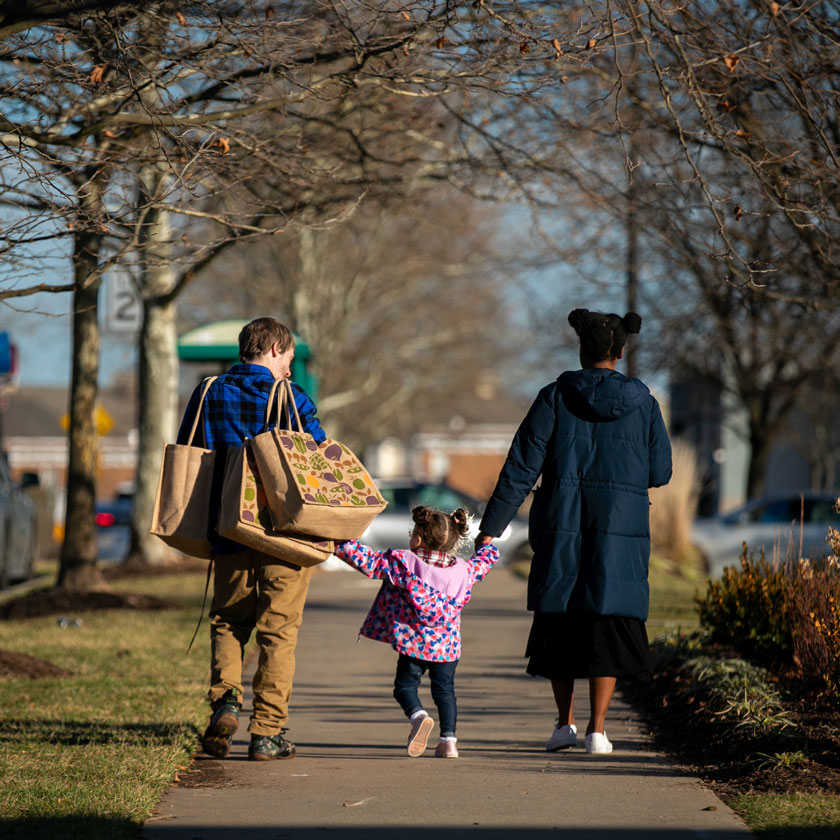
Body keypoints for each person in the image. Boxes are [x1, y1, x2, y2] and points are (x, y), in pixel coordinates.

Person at [476, 308, 672, 755]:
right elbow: (660, 471)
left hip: (560, 525)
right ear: (620, 353)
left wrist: (492, 527)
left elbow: (521, 467)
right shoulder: (644, 403)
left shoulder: (554, 397)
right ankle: (598, 731)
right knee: (607, 619)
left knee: (560, 618)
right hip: (620, 529)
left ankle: (564, 724)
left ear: (581, 350)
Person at [177, 317, 326, 761]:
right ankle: (267, 733)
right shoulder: (293, 399)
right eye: (289, 359)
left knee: (228, 620)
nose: (289, 369)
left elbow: (191, 449)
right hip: (286, 534)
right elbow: (315, 462)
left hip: (229, 528)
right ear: (276, 349)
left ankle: (225, 702)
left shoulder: (209, 391)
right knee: (278, 634)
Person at [334, 506, 500, 758]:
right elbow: (484, 562)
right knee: (445, 691)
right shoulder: (464, 571)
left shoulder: (403, 565)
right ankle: (449, 742)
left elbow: (368, 562)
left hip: (413, 643)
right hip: (447, 648)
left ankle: (418, 716)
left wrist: (338, 540)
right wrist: (486, 544)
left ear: (418, 538)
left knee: (404, 687)